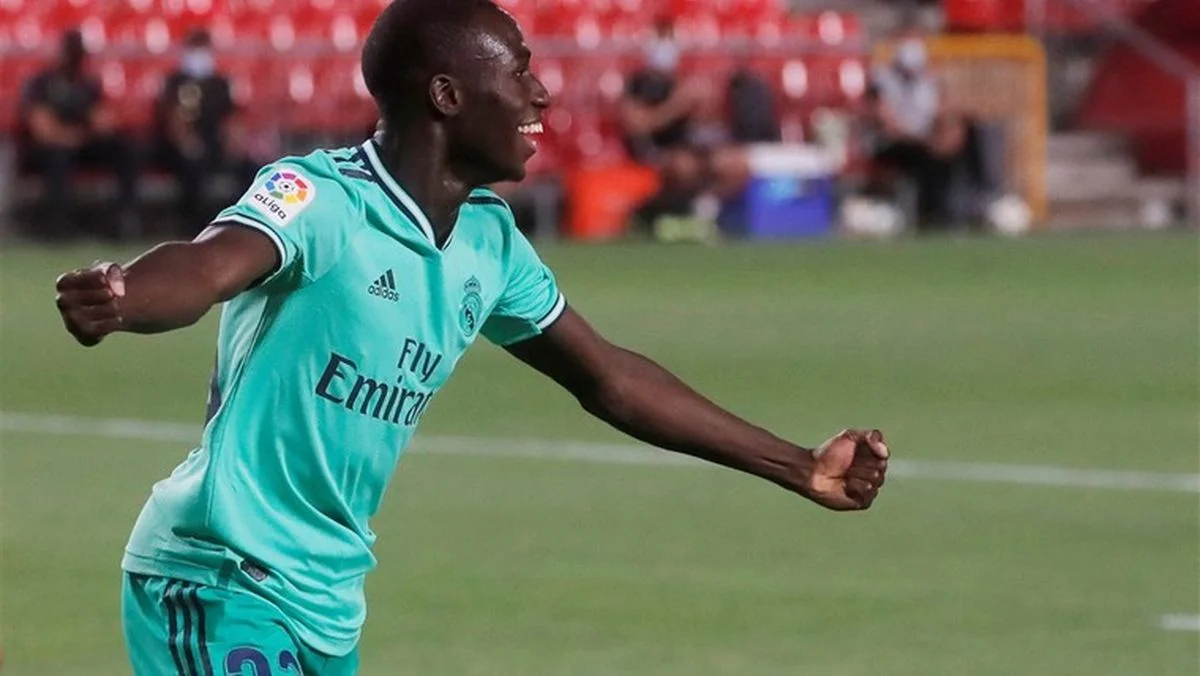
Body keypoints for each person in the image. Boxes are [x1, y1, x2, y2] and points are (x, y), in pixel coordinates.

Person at [53, 2, 890, 674]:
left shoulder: (489, 243)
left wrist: (797, 465)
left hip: (325, 599)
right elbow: (208, 266)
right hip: (217, 576)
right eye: (518, 71)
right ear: (448, 96)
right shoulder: (322, 198)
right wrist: (125, 295)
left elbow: (609, 378)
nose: (541, 95)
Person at [20, 29, 140, 237]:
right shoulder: (42, 83)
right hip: (50, 148)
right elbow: (42, 129)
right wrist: (69, 136)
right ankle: (58, 224)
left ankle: (124, 217)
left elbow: (103, 121)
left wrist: (86, 133)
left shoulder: (87, 84)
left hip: (82, 142)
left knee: (124, 149)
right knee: (58, 158)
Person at [155, 29, 256, 234]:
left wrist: (234, 143)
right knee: (193, 168)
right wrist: (186, 143)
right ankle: (196, 226)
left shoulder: (220, 83)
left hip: (215, 143)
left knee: (250, 168)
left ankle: (246, 225)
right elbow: (170, 118)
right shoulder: (174, 81)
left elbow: (232, 117)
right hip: (180, 148)